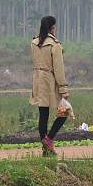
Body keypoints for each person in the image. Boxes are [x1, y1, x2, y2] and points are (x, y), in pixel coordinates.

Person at [30, 15, 70, 155]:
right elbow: (59, 68)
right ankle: (49, 139)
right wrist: (63, 88)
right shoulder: (55, 44)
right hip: (50, 81)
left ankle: (45, 149)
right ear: (52, 27)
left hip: (37, 81)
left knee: (43, 115)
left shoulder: (34, 42)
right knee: (65, 111)